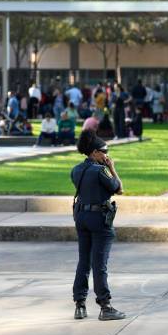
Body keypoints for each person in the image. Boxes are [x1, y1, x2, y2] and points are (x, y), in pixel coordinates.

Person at [71, 130, 125, 321]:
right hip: (99, 220)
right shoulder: (101, 170)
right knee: (99, 264)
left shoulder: (76, 169)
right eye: (103, 152)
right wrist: (112, 168)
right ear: (94, 152)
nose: (106, 155)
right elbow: (119, 189)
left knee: (83, 261)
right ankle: (105, 306)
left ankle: (80, 304)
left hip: (81, 217)